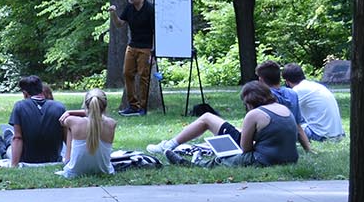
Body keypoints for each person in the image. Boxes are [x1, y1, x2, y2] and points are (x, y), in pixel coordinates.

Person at [147, 81, 313, 167]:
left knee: (224, 158)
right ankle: (173, 147)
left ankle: (193, 164)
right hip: (291, 158)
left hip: (264, 159)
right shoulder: (284, 109)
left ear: (249, 101)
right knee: (209, 120)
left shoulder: (254, 114)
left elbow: (246, 149)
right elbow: (291, 132)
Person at [0, 75, 67, 167]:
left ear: (25, 93)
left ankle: (3, 150)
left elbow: (18, 138)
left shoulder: (20, 106)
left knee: (11, 147)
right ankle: (7, 139)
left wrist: (14, 165)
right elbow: (67, 138)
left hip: (27, 159)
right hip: (53, 158)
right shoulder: (60, 107)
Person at [111, 0, 154, 116]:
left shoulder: (150, 9)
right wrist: (113, 13)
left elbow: (155, 32)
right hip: (132, 46)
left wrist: (153, 52)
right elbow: (119, 24)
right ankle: (132, 106)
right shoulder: (129, 8)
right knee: (127, 73)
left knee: (143, 77)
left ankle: (143, 107)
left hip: (146, 48)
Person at [57, 89, 117, 178]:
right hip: (105, 171)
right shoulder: (111, 124)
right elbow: (98, 116)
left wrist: (70, 112)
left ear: (85, 105)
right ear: (105, 106)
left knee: (69, 128)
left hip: (73, 173)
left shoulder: (72, 121)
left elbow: (62, 122)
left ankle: (68, 160)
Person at [283, 63, 345, 141]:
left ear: (287, 82)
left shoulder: (298, 90)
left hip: (321, 135)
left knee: (285, 125)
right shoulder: (315, 86)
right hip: (338, 134)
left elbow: (284, 113)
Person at [256, 61, 306, 127]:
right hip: (292, 133)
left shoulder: (264, 96)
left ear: (261, 79)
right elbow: (298, 125)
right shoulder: (292, 93)